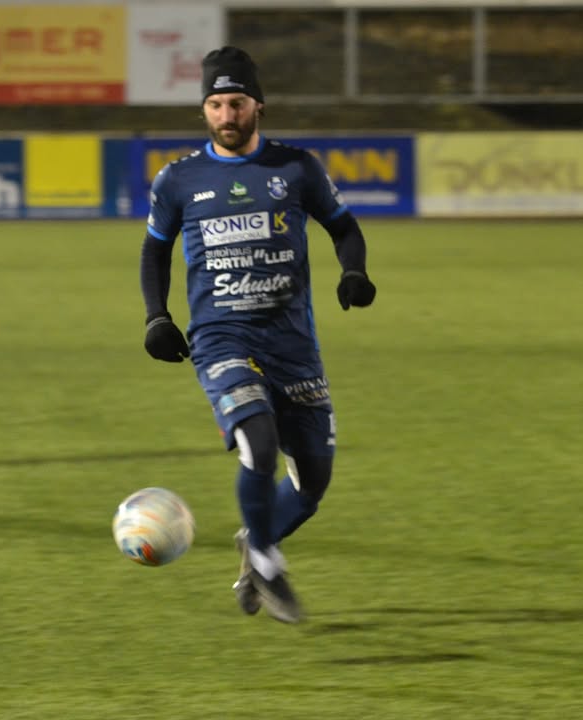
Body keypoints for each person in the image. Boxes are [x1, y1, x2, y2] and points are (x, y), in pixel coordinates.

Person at [139, 46, 377, 623]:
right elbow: (155, 250)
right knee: (258, 440)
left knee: (312, 483)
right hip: (221, 338)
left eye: (237, 103)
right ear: (204, 109)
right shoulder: (178, 179)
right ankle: (269, 564)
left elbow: (344, 228)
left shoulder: (297, 168)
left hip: (293, 343)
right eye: (216, 104)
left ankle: (255, 539)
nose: (227, 115)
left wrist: (353, 271)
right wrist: (156, 316)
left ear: (258, 106)